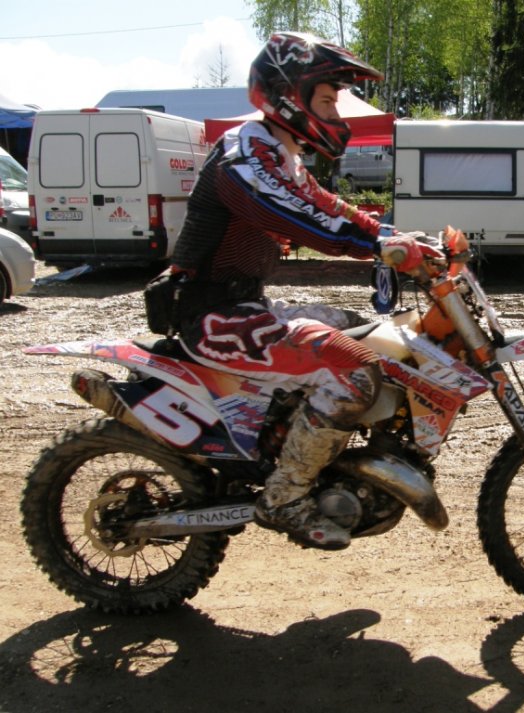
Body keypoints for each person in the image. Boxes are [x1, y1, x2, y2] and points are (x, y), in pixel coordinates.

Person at [162, 31, 439, 550]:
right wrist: (378, 246)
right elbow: (299, 214)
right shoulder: (244, 153)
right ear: (290, 96)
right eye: (328, 100)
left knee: (367, 332)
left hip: (244, 307)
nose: (337, 114)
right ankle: (285, 496)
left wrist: (398, 237)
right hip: (214, 317)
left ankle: (303, 444)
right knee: (354, 370)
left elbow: (327, 205)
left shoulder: (277, 154)